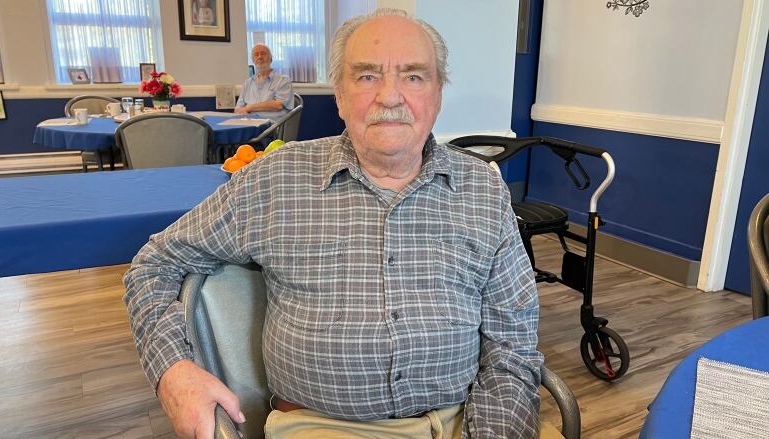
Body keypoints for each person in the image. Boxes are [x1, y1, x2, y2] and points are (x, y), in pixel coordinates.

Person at [124, 8, 546, 439]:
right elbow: (153, 264)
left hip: (464, 417)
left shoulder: (483, 190)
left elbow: (512, 344)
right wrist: (174, 374)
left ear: (438, 94)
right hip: (320, 426)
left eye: (413, 76)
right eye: (366, 76)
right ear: (339, 96)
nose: (390, 96)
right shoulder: (274, 180)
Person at [234, 44, 294, 120]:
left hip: (271, 127)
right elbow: (238, 109)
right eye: (256, 55)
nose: (260, 57)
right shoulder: (248, 83)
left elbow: (278, 105)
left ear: (271, 59)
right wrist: (247, 117)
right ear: (253, 61)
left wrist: (249, 107)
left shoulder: (283, 80)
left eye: (263, 54)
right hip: (249, 124)